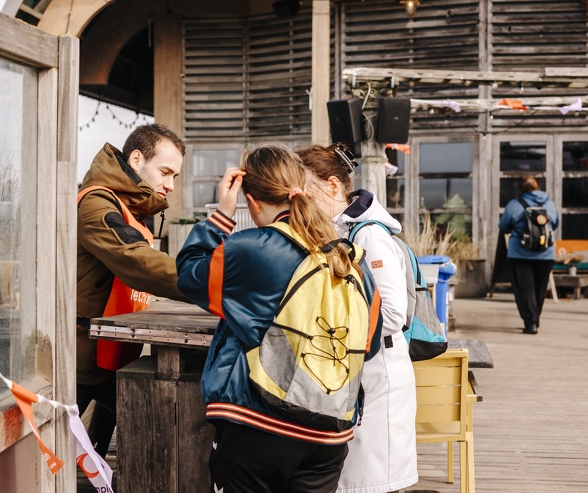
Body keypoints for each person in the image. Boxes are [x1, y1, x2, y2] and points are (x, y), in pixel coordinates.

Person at [176, 144, 375, 493]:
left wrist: (220, 216)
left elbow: (191, 274)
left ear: (250, 201)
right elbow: (368, 344)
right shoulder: (349, 259)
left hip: (259, 424)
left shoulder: (252, 249)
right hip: (330, 435)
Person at [297, 143, 418, 493]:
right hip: (363, 371)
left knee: (372, 482)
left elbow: (394, 313)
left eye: (306, 191)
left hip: (380, 373)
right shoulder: (346, 231)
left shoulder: (369, 234)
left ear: (333, 186)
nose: (300, 202)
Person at [76, 123, 188, 457]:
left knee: (98, 441)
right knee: (58, 449)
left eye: (175, 178)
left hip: (108, 350)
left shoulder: (132, 207)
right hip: (81, 355)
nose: (169, 185)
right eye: (165, 172)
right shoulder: (97, 203)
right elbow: (136, 262)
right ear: (136, 160)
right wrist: (209, 283)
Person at [498, 175, 559, 334]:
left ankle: (530, 322)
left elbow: (504, 227)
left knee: (524, 289)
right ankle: (535, 319)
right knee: (540, 289)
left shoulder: (514, 204)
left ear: (522, 189)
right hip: (546, 254)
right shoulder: (550, 204)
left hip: (520, 253)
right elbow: (556, 224)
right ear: (538, 187)